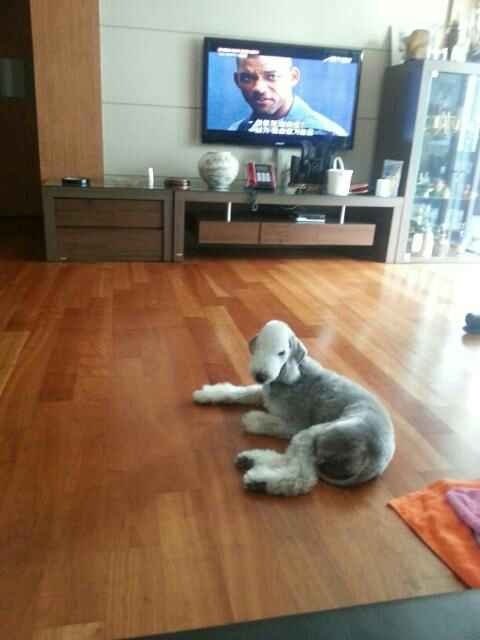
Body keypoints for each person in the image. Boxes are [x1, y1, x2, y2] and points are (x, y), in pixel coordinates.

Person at [228, 54, 347, 136]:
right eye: (247, 78)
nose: (259, 88)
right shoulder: (234, 131)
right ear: (237, 80)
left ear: (293, 77)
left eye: (272, 76)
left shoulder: (329, 134)